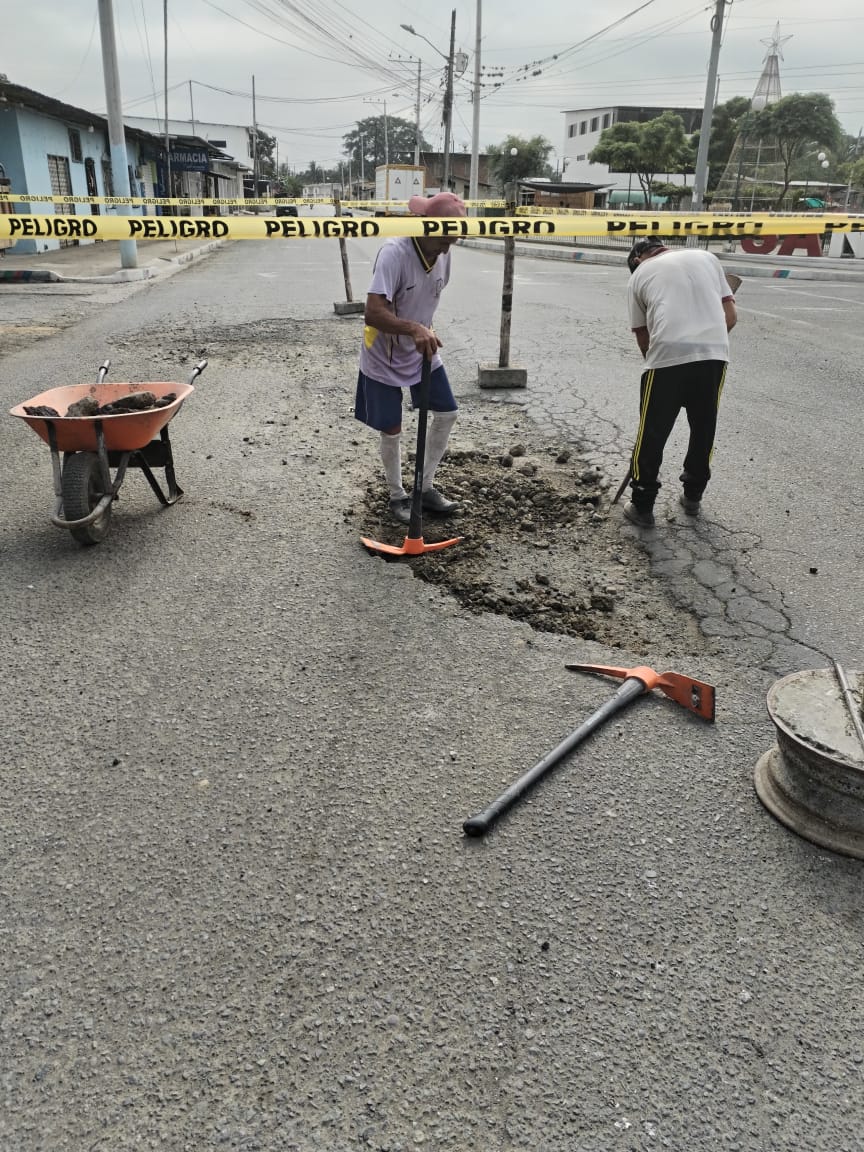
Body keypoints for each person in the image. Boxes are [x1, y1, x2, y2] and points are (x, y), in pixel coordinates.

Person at [355, 191, 465, 525]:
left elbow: (427, 298)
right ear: (425, 227)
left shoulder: (444, 254)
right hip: (384, 353)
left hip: (420, 348)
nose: (447, 249)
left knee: (447, 413)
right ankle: (397, 495)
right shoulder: (394, 253)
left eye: (452, 241)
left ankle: (425, 486)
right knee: (392, 428)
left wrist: (422, 329)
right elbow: (373, 312)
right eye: (443, 240)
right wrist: (413, 328)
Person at [623, 237, 737, 528]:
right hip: (714, 353)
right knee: (703, 427)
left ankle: (642, 505)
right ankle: (693, 497)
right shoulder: (707, 258)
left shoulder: (638, 276)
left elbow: (643, 335)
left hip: (667, 356)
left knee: (652, 431)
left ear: (636, 259)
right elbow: (730, 316)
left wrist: (656, 362)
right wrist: (703, 342)